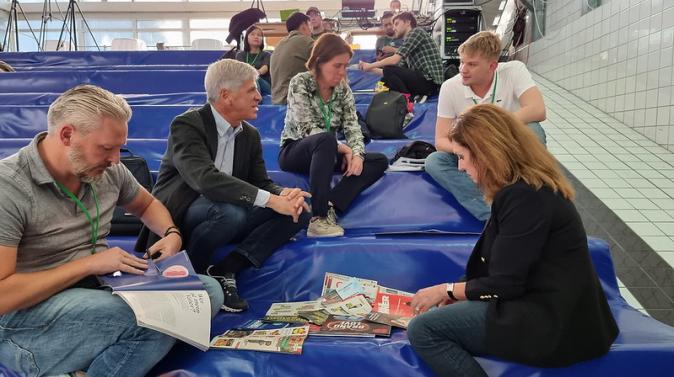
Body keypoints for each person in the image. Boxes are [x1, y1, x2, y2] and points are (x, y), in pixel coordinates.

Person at [0, 85, 224, 377]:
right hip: (29, 318)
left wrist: (171, 233)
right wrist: (89, 264)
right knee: (155, 315)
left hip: (100, 286)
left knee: (206, 293)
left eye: (120, 147)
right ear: (67, 135)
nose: (116, 159)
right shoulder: (9, 187)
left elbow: (146, 204)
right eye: (106, 148)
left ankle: (85, 363)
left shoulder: (106, 169)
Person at [406, 104, 619, 377]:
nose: (460, 167)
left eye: (462, 157)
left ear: (485, 154)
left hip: (552, 322)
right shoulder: (522, 189)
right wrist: (460, 292)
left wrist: (447, 290)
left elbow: (506, 283)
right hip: (547, 305)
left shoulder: (524, 197)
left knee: (424, 330)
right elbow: (500, 266)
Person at [136, 59, 311, 313]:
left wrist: (283, 194)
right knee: (229, 211)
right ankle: (190, 271)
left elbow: (260, 182)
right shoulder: (187, 125)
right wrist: (272, 200)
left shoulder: (249, 134)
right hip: (183, 216)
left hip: (225, 214)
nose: (259, 97)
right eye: (252, 90)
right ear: (226, 95)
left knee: (300, 210)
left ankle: (227, 267)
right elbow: (205, 180)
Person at [424, 31, 547, 221]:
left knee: (534, 131)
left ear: (492, 66)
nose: (463, 69)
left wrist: (491, 131)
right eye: (461, 62)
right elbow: (441, 140)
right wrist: (470, 148)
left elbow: (538, 110)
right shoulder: (450, 87)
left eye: (471, 64)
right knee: (435, 161)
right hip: (473, 152)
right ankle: (492, 215)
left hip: (508, 147)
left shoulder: (514, 70)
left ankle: (530, 198)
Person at [279, 34, 388, 237]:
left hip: (326, 152)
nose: (342, 72)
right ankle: (318, 219)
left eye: (345, 66)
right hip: (295, 150)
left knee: (379, 160)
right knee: (326, 139)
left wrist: (357, 155)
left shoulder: (342, 89)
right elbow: (306, 128)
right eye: (337, 65)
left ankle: (330, 204)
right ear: (319, 61)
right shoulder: (300, 82)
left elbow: (352, 126)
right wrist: (343, 147)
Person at [359, 12, 444, 99]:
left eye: (396, 24)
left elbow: (394, 61)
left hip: (430, 84)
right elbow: (393, 72)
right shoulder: (408, 43)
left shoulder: (416, 32)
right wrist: (370, 69)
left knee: (389, 69)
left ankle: (408, 99)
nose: (394, 28)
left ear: (407, 22)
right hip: (423, 82)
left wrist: (370, 65)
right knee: (385, 80)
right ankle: (406, 99)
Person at [270, 12, 314, 105]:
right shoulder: (306, 41)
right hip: (295, 102)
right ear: (304, 25)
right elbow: (327, 64)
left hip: (276, 103)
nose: (311, 31)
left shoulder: (279, 45)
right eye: (310, 26)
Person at [236, 25, 272, 96]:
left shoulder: (267, 54)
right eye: (252, 34)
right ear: (247, 38)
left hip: (264, 84)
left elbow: (264, 69)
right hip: (245, 84)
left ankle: (255, 100)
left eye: (259, 35)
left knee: (254, 78)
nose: (256, 37)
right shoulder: (240, 55)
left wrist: (253, 71)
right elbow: (241, 71)